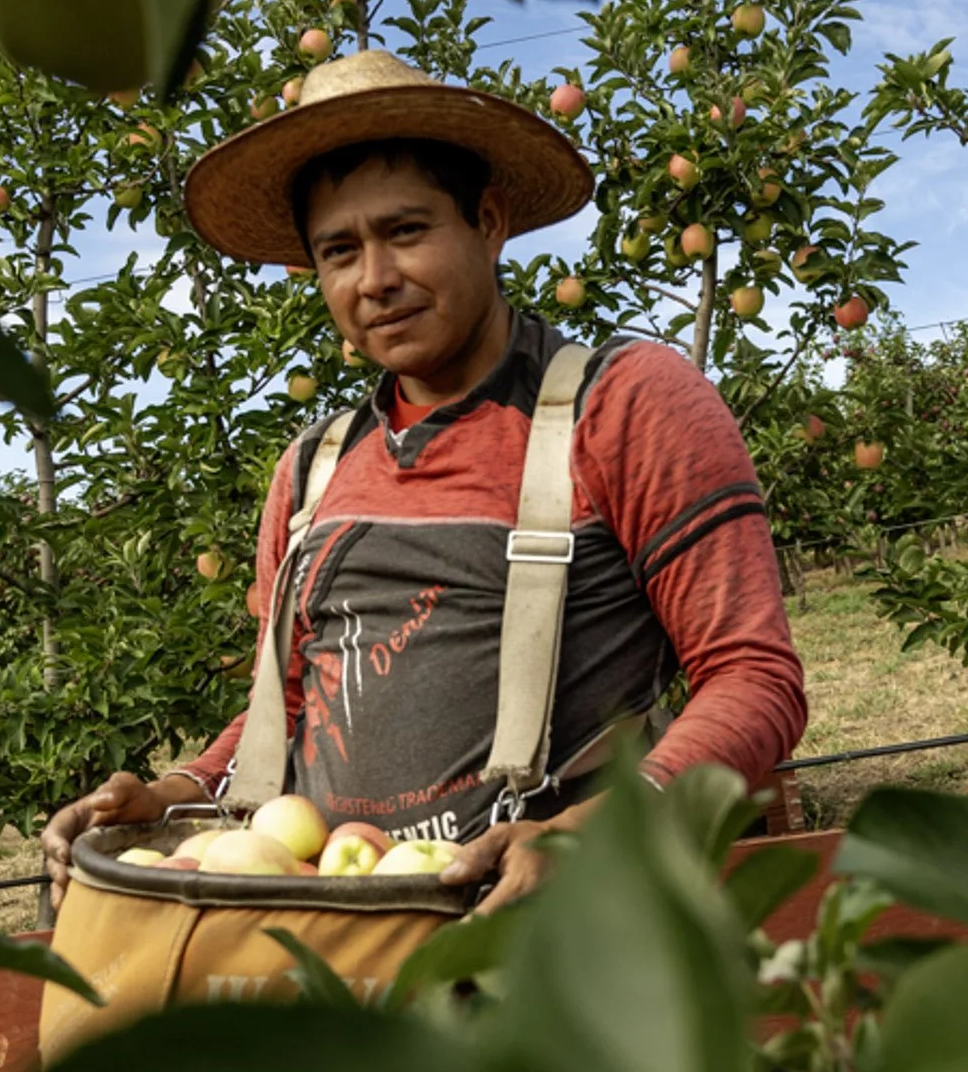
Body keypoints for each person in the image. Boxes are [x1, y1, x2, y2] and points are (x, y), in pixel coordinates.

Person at [40, 48, 807, 909]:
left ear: (486, 219)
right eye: (339, 251)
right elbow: (286, 715)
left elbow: (753, 676)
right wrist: (173, 793)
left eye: (405, 231)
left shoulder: (625, 405)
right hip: (338, 937)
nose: (375, 280)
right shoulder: (310, 471)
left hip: (554, 934)